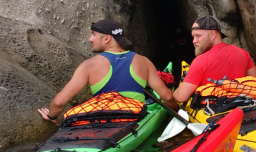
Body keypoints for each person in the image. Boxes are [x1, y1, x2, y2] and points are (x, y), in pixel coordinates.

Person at [38, 19, 177, 125]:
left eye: (93, 35)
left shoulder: (89, 65)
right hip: (134, 120)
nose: (90, 39)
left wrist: (51, 117)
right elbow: (168, 98)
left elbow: (58, 103)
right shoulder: (143, 61)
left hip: (102, 123)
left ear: (106, 38)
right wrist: (175, 111)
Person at [173, 15, 256, 103]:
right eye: (193, 37)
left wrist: (175, 91)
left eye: (198, 36)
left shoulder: (200, 61)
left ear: (213, 35)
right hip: (246, 104)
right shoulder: (243, 53)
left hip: (217, 111)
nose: (194, 41)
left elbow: (181, 97)